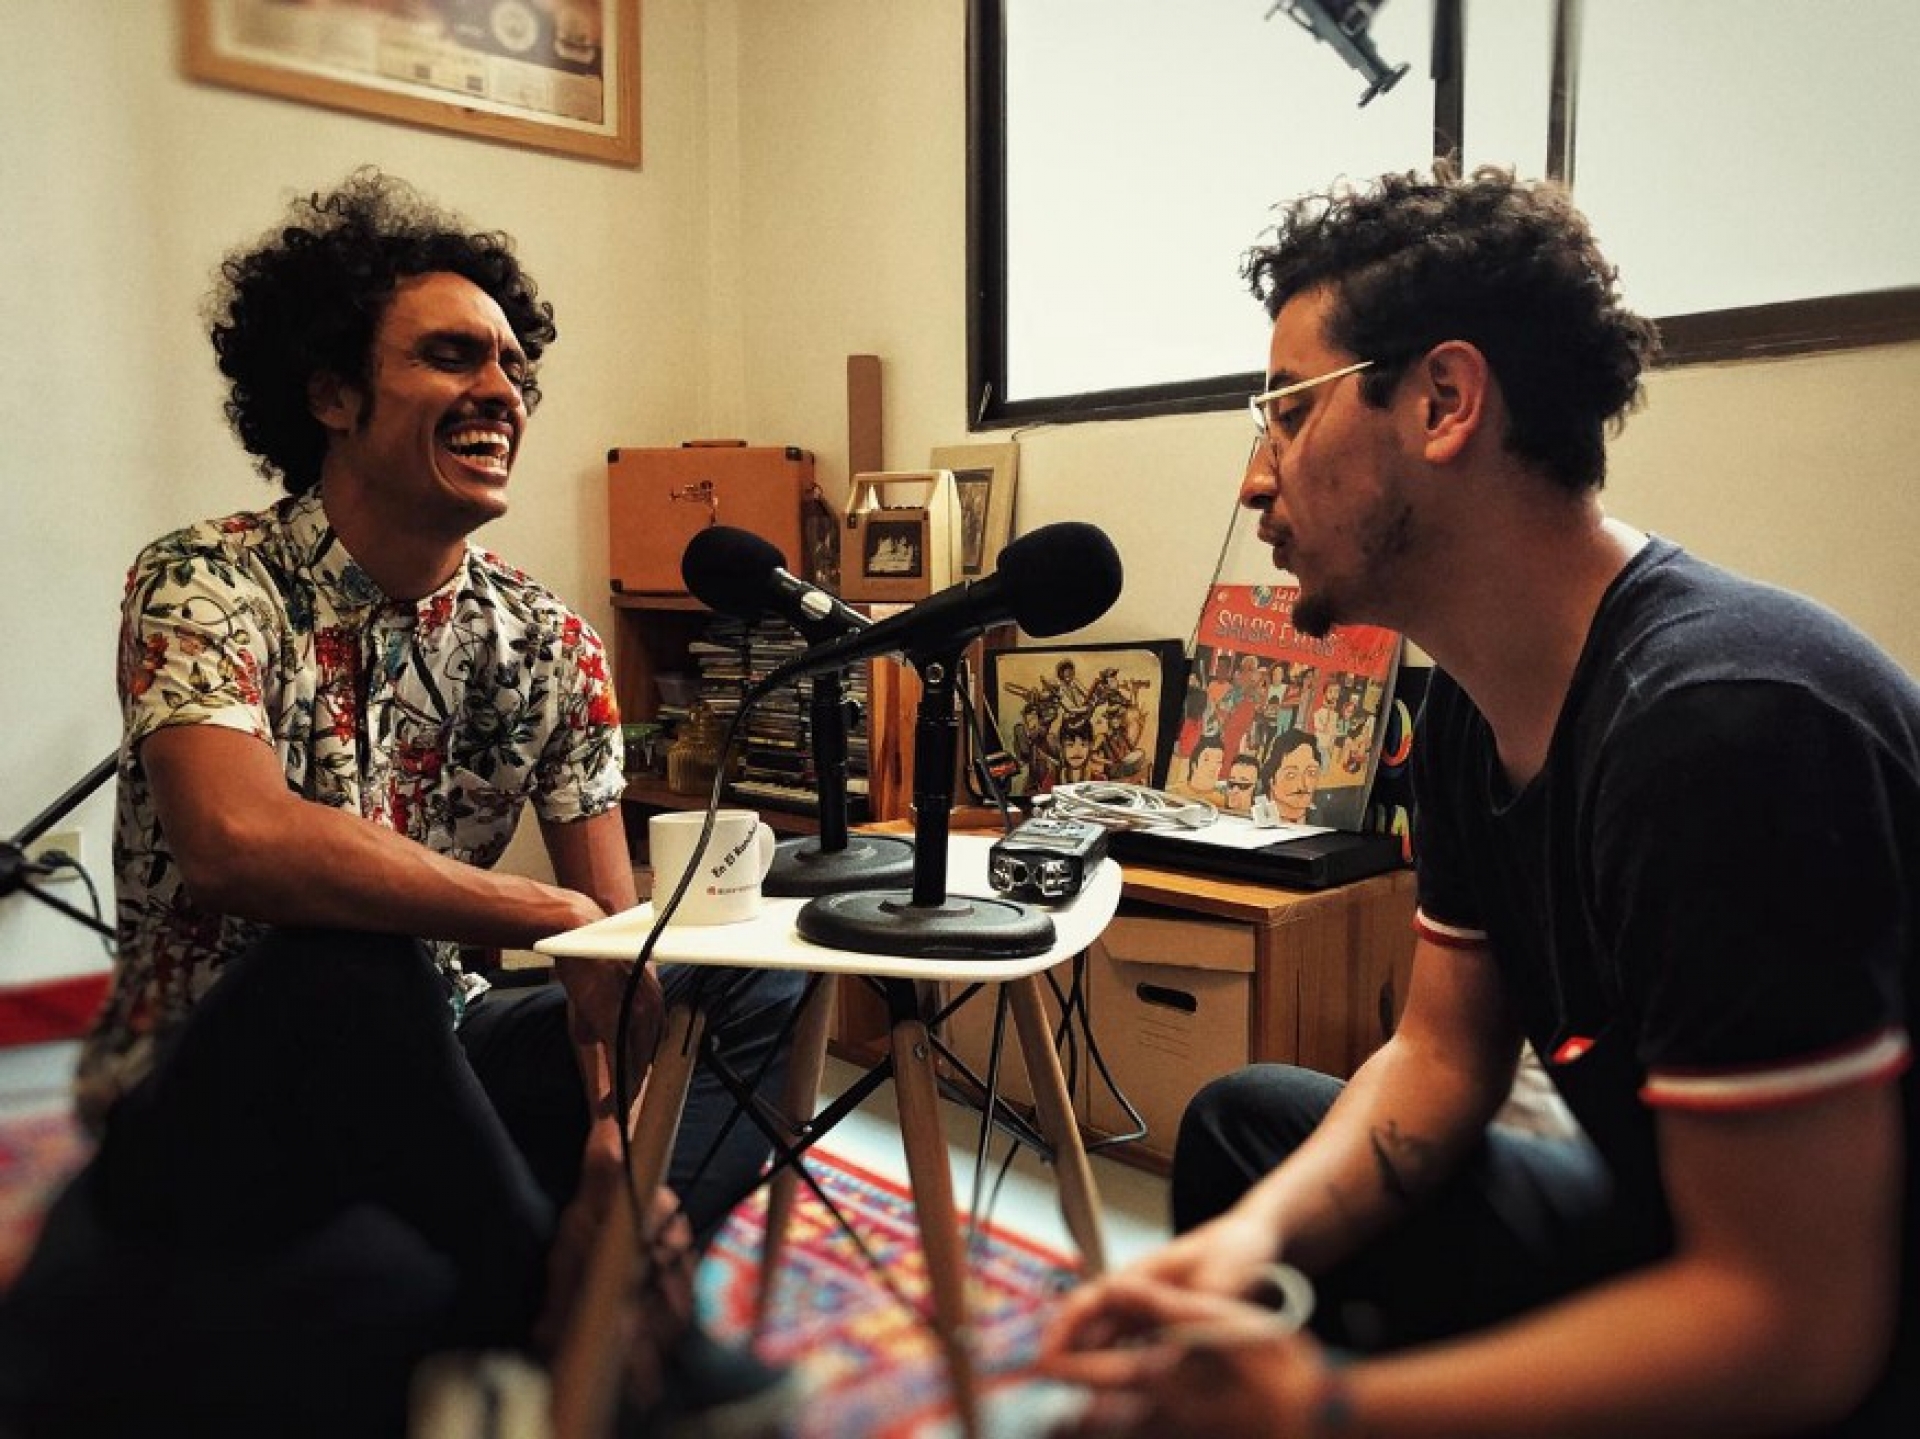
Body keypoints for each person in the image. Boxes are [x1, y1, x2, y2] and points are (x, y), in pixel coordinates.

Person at [1040, 164, 1917, 1437]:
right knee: (1247, 1134)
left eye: (1287, 412)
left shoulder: (1726, 726)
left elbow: (1796, 1328)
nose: (1254, 479)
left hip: (1847, 1312)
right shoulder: (1468, 705)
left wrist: (1328, 1407)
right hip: (1672, 1215)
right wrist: (1248, 1243)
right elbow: (1445, 1055)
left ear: (1445, 401)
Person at [0, 169, 804, 1438]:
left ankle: (596, 1272)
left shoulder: (551, 641)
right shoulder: (204, 579)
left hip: (440, 1056)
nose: (503, 391)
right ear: (331, 393)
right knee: (344, 962)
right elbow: (235, 843)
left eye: (514, 367)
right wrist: (537, 909)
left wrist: (616, 1134)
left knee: (751, 975)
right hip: (211, 1090)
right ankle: (559, 1308)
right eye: (451, 355)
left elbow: (618, 954)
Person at [1261, 728, 1323, 825]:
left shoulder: (1319, 819)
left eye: (1311, 773)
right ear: (1271, 780)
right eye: (1291, 775)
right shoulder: (1257, 813)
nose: (1302, 785)